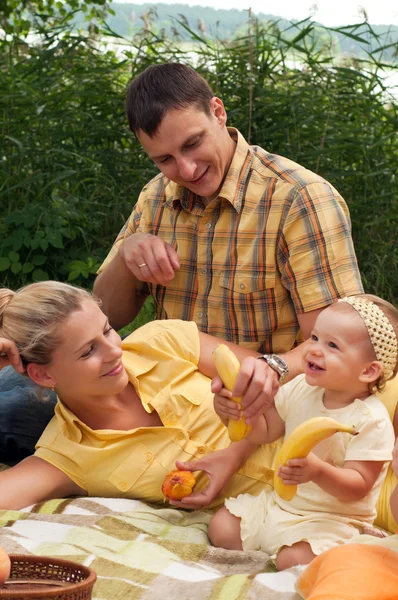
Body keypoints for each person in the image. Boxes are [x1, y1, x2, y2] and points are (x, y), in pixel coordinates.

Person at [0, 61, 364, 463]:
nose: (185, 170)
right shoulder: (157, 197)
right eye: (164, 159)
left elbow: (338, 346)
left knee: (11, 412)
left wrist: (270, 368)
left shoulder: (300, 199)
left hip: (246, 404)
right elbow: (108, 315)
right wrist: (127, 255)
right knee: (9, 381)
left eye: (192, 144)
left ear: (218, 112)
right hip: (152, 382)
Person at [0, 280, 306, 510]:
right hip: (303, 517)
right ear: (43, 375)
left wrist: (270, 368)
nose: (114, 350)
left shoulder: (164, 340)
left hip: (340, 445)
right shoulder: (64, 457)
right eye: (88, 351)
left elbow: (304, 360)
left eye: (107, 331)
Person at [207, 294, 398, 570]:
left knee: (294, 560)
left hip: (332, 521)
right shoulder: (301, 389)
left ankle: (352, 546)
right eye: (315, 338)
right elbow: (265, 430)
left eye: (332, 345)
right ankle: (272, 548)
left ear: (368, 371)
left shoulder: (371, 419)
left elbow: (359, 485)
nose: (314, 350)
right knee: (221, 527)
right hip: (280, 506)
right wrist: (232, 413)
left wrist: (318, 471)